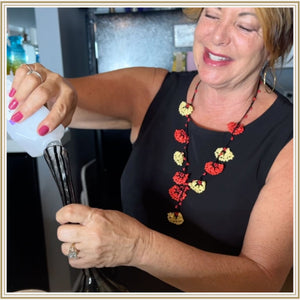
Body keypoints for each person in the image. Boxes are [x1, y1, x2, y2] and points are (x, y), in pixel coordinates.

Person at [8, 7, 293, 292]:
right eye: (212, 15)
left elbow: (262, 280)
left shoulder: (289, 138)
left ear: (274, 45)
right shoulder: (152, 89)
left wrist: (140, 247)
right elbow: (60, 98)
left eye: (245, 27)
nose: (217, 36)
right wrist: (43, 83)